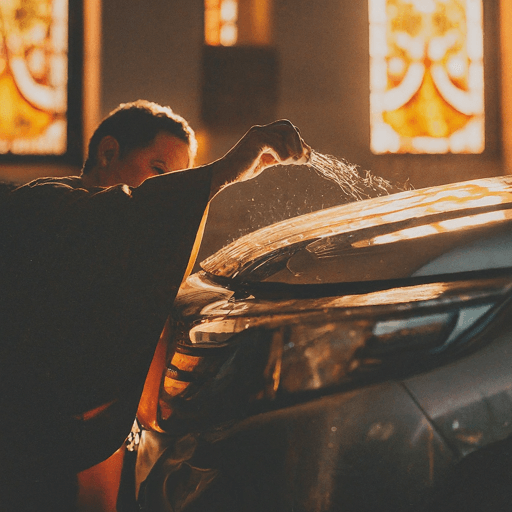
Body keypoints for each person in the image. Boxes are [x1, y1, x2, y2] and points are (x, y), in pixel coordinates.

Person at [0, 100, 310, 511]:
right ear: (108, 152)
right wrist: (221, 172)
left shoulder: (124, 245)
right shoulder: (41, 205)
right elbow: (123, 217)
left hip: (87, 442)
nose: (169, 193)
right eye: (160, 171)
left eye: (179, 180)